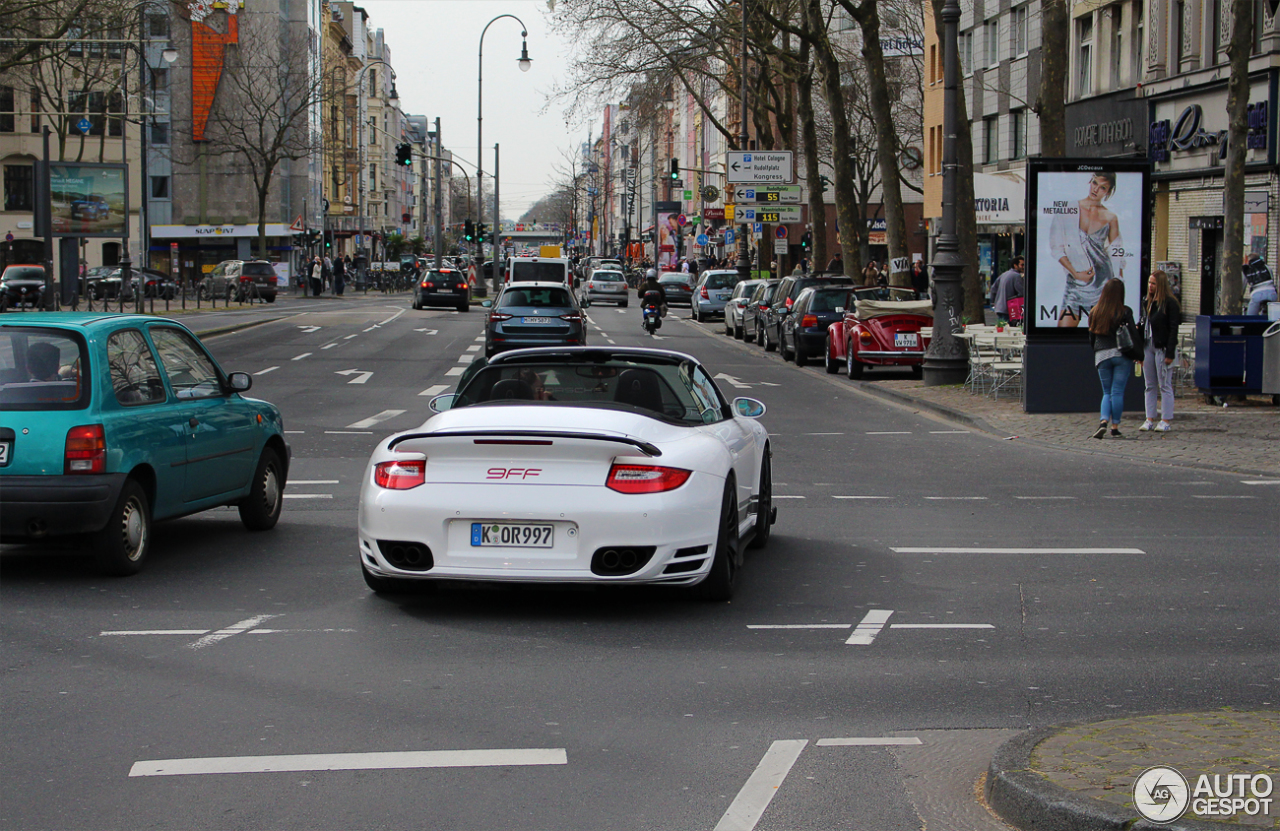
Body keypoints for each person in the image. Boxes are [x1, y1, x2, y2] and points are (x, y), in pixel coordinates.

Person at [1052, 171, 1123, 328]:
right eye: (1095, 183)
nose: (1096, 189)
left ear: (1108, 192)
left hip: (1103, 281)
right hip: (1075, 281)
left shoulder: (1111, 217)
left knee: (1102, 333)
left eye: (1103, 187)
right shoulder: (1069, 208)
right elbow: (1056, 248)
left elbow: (1117, 253)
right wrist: (1075, 273)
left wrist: (1118, 286)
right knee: (1063, 332)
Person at [1088, 278, 1135, 439]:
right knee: (1117, 392)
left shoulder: (1095, 311)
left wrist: (1096, 351)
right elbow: (1133, 335)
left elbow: (1091, 337)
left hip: (1102, 354)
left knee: (1106, 392)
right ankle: (1115, 427)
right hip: (1121, 354)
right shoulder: (1125, 311)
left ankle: (1102, 422)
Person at [1137, 269, 1180, 433]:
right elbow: (1143, 324)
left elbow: (1173, 328)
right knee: (1149, 384)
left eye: (1153, 283)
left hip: (1162, 347)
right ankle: (1149, 418)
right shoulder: (1147, 302)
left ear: (1160, 285)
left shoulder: (1170, 303)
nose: (1150, 286)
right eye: (1149, 283)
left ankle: (1166, 419)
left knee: (1165, 384)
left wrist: (1170, 352)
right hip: (1148, 344)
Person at [992, 256, 1025, 324]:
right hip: (1010, 310)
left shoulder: (1004, 274)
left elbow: (993, 288)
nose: (1023, 267)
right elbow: (1022, 292)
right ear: (1015, 265)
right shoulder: (1017, 276)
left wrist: (993, 302)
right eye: (1022, 265)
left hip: (1000, 308)